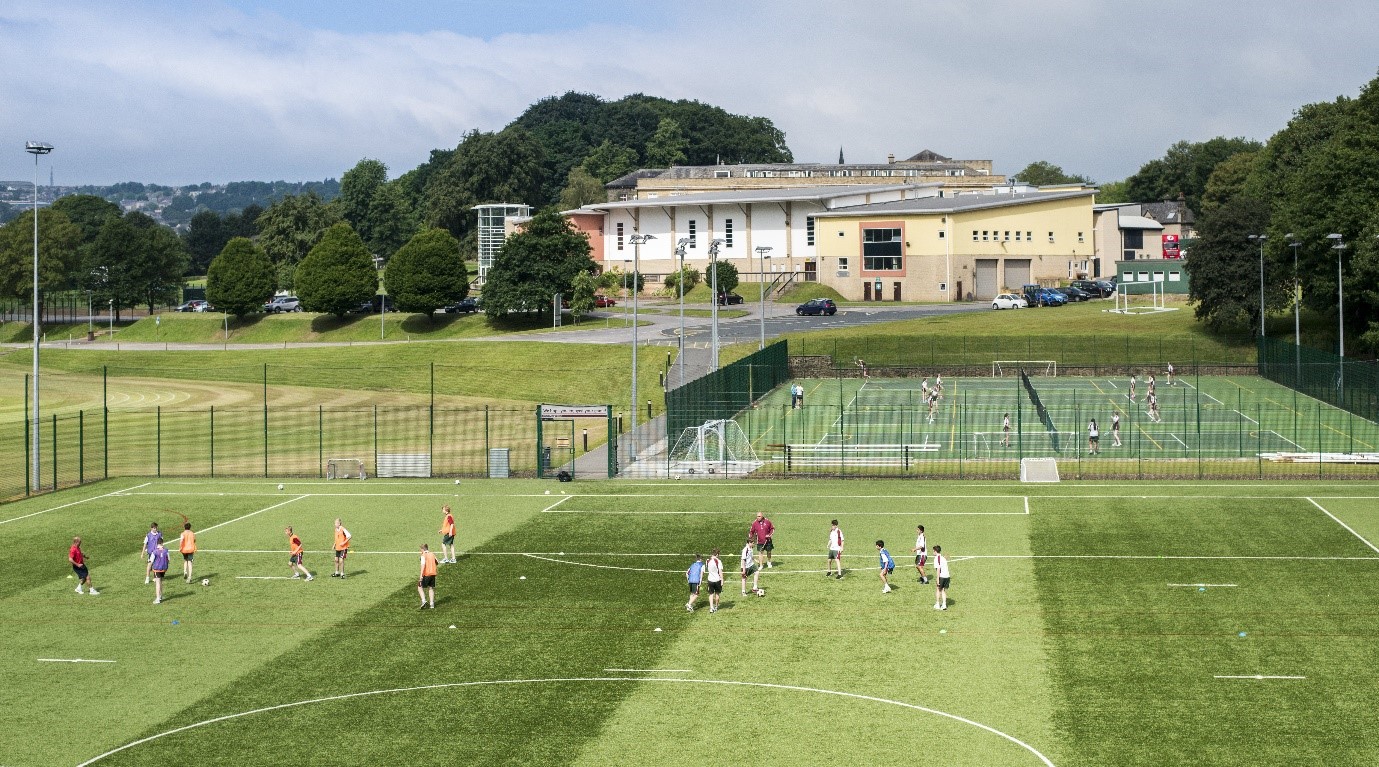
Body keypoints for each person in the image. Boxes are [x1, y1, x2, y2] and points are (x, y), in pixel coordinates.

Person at [149, 536, 170, 604]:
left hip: (157, 569)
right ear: (162, 543)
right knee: (160, 581)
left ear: (157, 543)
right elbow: (169, 559)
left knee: (157, 583)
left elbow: (151, 561)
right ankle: (160, 595)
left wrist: (150, 568)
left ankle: (158, 599)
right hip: (164, 569)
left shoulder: (154, 551)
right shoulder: (166, 550)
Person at [417, 543, 438, 609]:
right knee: (431, 588)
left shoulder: (423, 555)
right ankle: (432, 604)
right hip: (433, 573)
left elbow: (423, 565)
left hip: (426, 574)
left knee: (419, 587)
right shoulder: (432, 554)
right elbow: (437, 562)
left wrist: (421, 575)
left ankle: (424, 601)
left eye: (421, 549)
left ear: (423, 549)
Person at [705, 548, 725, 613]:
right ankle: (716, 606)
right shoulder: (718, 561)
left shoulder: (707, 560)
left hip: (710, 579)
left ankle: (711, 607)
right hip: (717, 580)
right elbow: (720, 571)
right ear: (717, 554)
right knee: (717, 594)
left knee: (710, 594)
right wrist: (722, 580)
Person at [933, 544, 950, 610]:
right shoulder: (942, 557)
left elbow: (938, 569)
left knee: (938, 589)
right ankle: (944, 605)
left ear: (935, 551)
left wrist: (937, 579)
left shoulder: (936, 558)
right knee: (943, 590)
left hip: (941, 576)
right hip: (947, 576)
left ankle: (937, 604)